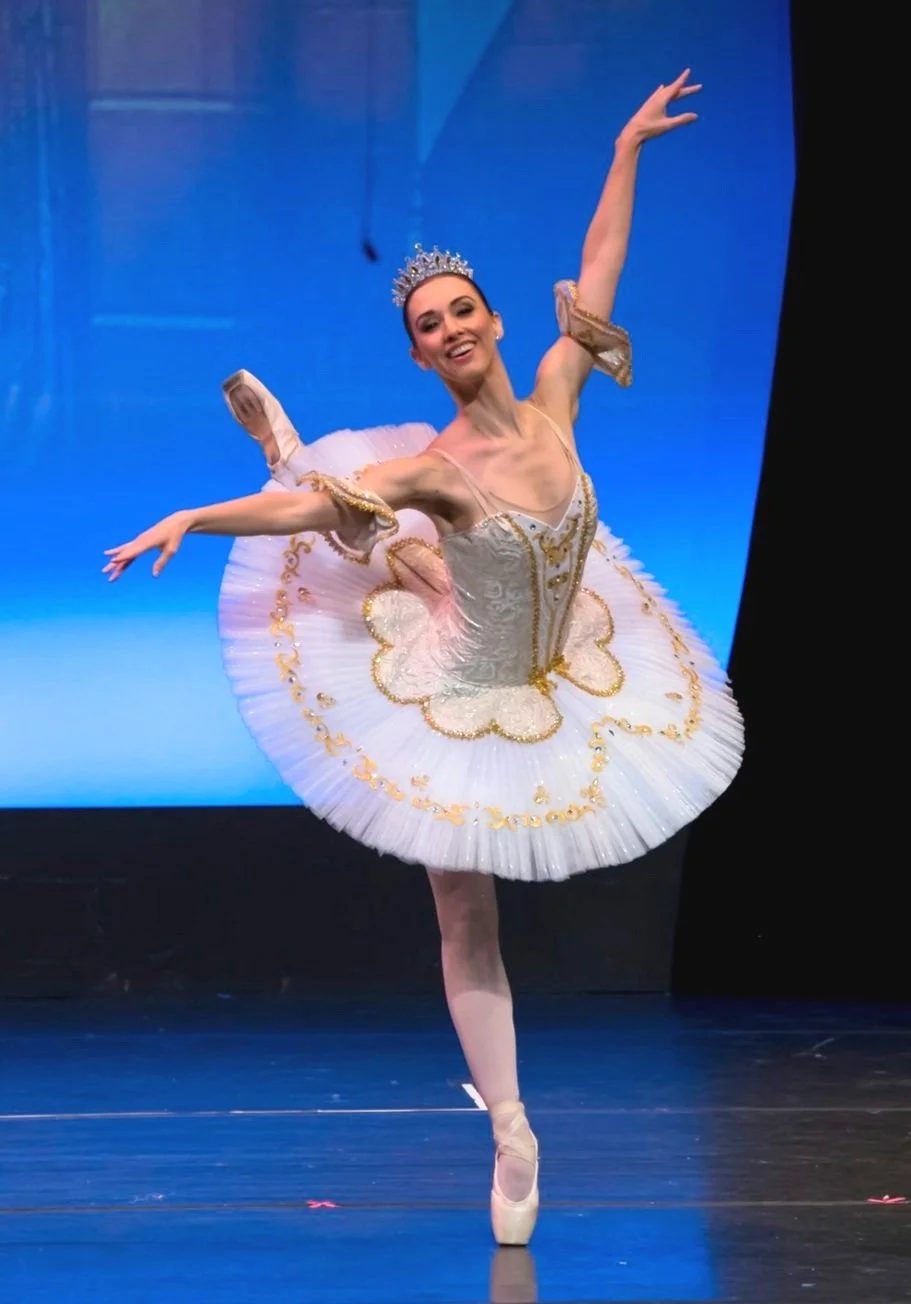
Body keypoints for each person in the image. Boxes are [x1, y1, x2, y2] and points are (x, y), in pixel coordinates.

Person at [104, 70, 743, 1246]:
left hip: (553, 656)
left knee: (407, 560)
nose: (448, 327)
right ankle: (509, 1125)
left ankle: (310, 466)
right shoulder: (439, 462)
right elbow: (301, 531)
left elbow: (598, 266)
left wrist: (624, 143)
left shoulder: (557, 391)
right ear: (419, 355)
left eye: (461, 310)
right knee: (463, 908)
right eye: (425, 325)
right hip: (456, 685)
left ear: (495, 321)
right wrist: (195, 518)